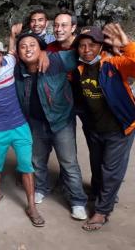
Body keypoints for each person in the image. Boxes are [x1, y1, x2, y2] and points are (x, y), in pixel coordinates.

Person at [14, 33, 88, 220]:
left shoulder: (56, 61)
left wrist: (48, 53)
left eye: (33, 45)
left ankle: (78, 201)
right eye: (23, 46)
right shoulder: (17, 70)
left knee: (69, 163)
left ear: (41, 49)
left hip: (61, 121)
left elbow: (82, 53)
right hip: (36, 123)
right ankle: (41, 188)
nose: (28, 49)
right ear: (18, 52)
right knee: (38, 160)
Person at [0, 40, 45, 227]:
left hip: (19, 124)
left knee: (26, 165)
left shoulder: (11, 62)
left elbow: (28, 54)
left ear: (3, 56)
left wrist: (43, 53)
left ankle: (31, 206)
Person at [73, 24, 135, 231]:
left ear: (101, 46)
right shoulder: (79, 68)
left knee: (111, 170)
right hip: (94, 128)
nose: (86, 49)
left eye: (92, 45)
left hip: (119, 128)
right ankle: (101, 192)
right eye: (82, 45)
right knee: (97, 164)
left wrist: (127, 46)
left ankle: (102, 211)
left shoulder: (113, 64)